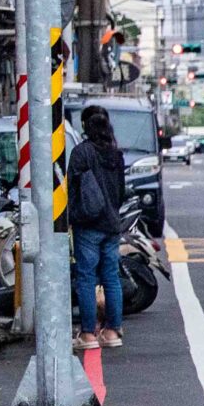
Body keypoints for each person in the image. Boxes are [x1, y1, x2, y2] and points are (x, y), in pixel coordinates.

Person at [67, 103, 130, 352]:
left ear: (84, 125)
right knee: (111, 277)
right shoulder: (116, 154)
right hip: (112, 224)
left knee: (86, 277)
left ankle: (88, 334)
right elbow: (121, 191)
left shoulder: (81, 153)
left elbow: (71, 188)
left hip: (88, 224)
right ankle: (113, 330)